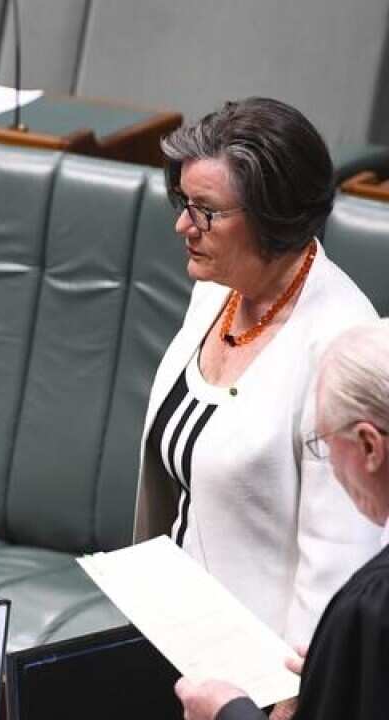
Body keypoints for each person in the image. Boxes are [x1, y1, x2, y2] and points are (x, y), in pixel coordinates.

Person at [133, 97, 381, 678]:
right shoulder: (217, 291)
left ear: (272, 217)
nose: (183, 226)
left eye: (206, 211)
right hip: (174, 636)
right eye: (182, 203)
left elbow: (341, 558)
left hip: (256, 675)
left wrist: (296, 692)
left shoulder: (338, 344)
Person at [175, 318, 389, 720]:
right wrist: (335, 674)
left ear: (368, 445)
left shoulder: (373, 607)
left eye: (324, 444)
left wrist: (228, 712)